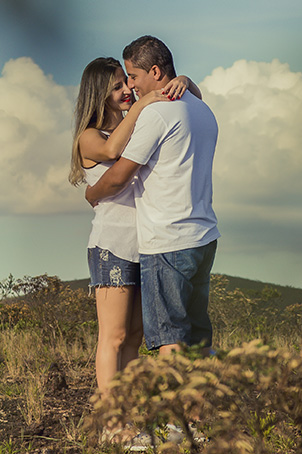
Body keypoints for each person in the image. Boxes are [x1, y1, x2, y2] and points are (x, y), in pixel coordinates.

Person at [70, 57, 201, 409]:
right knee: (112, 337)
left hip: (145, 245)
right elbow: (113, 152)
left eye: (126, 83)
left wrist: (184, 81)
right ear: (99, 95)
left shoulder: (135, 123)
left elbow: (192, 98)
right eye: (116, 87)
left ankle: (128, 415)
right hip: (112, 246)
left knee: (135, 338)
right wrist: (144, 101)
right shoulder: (91, 137)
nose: (127, 90)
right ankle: (112, 423)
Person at [85, 36, 219, 359]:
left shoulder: (157, 114)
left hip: (168, 241)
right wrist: (186, 83)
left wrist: (92, 192)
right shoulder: (202, 109)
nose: (131, 86)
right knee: (198, 338)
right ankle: (202, 410)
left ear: (155, 72)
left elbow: (118, 176)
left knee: (171, 339)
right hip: (203, 237)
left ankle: (179, 409)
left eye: (133, 76)